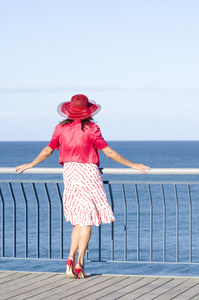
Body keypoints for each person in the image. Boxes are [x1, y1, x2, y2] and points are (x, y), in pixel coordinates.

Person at [16, 94, 150, 279]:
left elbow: (48, 150)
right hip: (88, 173)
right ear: (89, 112)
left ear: (69, 111)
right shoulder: (92, 129)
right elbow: (109, 152)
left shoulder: (60, 129)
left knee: (79, 219)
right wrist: (133, 164)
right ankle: (79, 262)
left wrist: (30, 164)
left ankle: (69, 259)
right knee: (86, 220)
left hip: (70, 173)